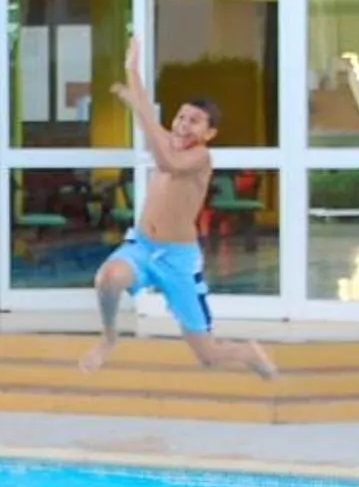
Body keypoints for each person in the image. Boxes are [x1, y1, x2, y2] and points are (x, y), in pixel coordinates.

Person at [86, 37, 276, 378]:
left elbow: (169, 160)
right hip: (142, 246)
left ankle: (247, 353)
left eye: (195, 121)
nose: (184, 124)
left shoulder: (200, 157)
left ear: (210, 133)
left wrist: (139, 102)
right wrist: (135, 89)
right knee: (108, 278)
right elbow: (151, 125)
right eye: (181, 116)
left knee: (208, 355)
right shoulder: (169, 141)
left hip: (178, 260)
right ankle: (109, 337)